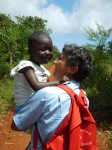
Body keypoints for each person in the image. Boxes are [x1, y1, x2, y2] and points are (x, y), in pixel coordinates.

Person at [11, 44, 93, 150]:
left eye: (60, 59)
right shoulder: (84, 98)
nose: (55, 61)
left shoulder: (46, 94)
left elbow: (16, 125)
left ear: (72, 70)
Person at [10, 31, 67, 132]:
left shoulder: (41, 68)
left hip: (36, 105)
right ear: (30, 51)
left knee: (39, 138)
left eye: (50, 49)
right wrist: (60, 82)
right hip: (26, 108)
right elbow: (36, 85)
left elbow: (48, 83)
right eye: (43, 49)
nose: (48, 53)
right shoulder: (26, 65)